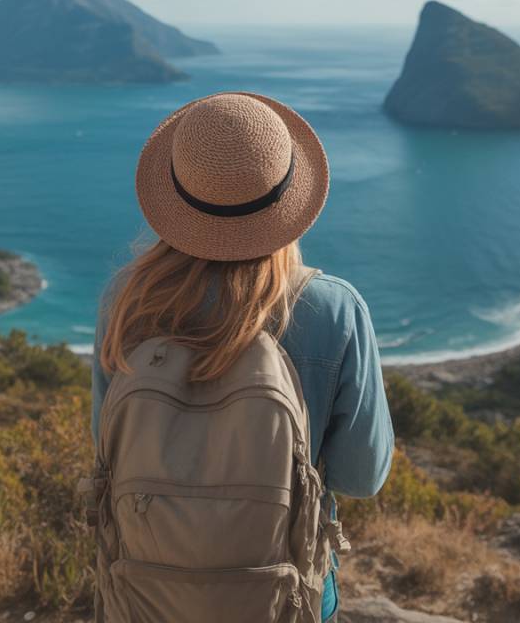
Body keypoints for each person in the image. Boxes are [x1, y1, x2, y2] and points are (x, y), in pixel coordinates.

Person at [91, 91, 394, 622]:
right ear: (288, 197)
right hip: (281, 592)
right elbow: (361, 475)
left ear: (177, 192)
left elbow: (106, 444)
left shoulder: (125, 300)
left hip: (144, 590)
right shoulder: (332, 309)